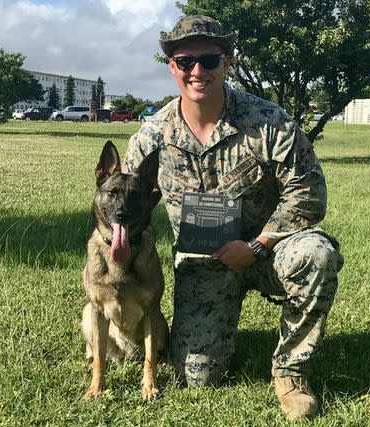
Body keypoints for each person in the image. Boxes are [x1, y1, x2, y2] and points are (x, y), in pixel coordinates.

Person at [124, 15, 343, 420]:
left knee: (317, 253)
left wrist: (258, 246)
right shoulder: (151, 136)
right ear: (171, 65)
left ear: (227, 62)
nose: (197, 71)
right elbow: (128, 202)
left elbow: (309, 194)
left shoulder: (269, 122)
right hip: (202, 267)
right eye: (185, 61)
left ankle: (291, 371)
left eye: (209, 60)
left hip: (267, 251)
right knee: (197, 378)